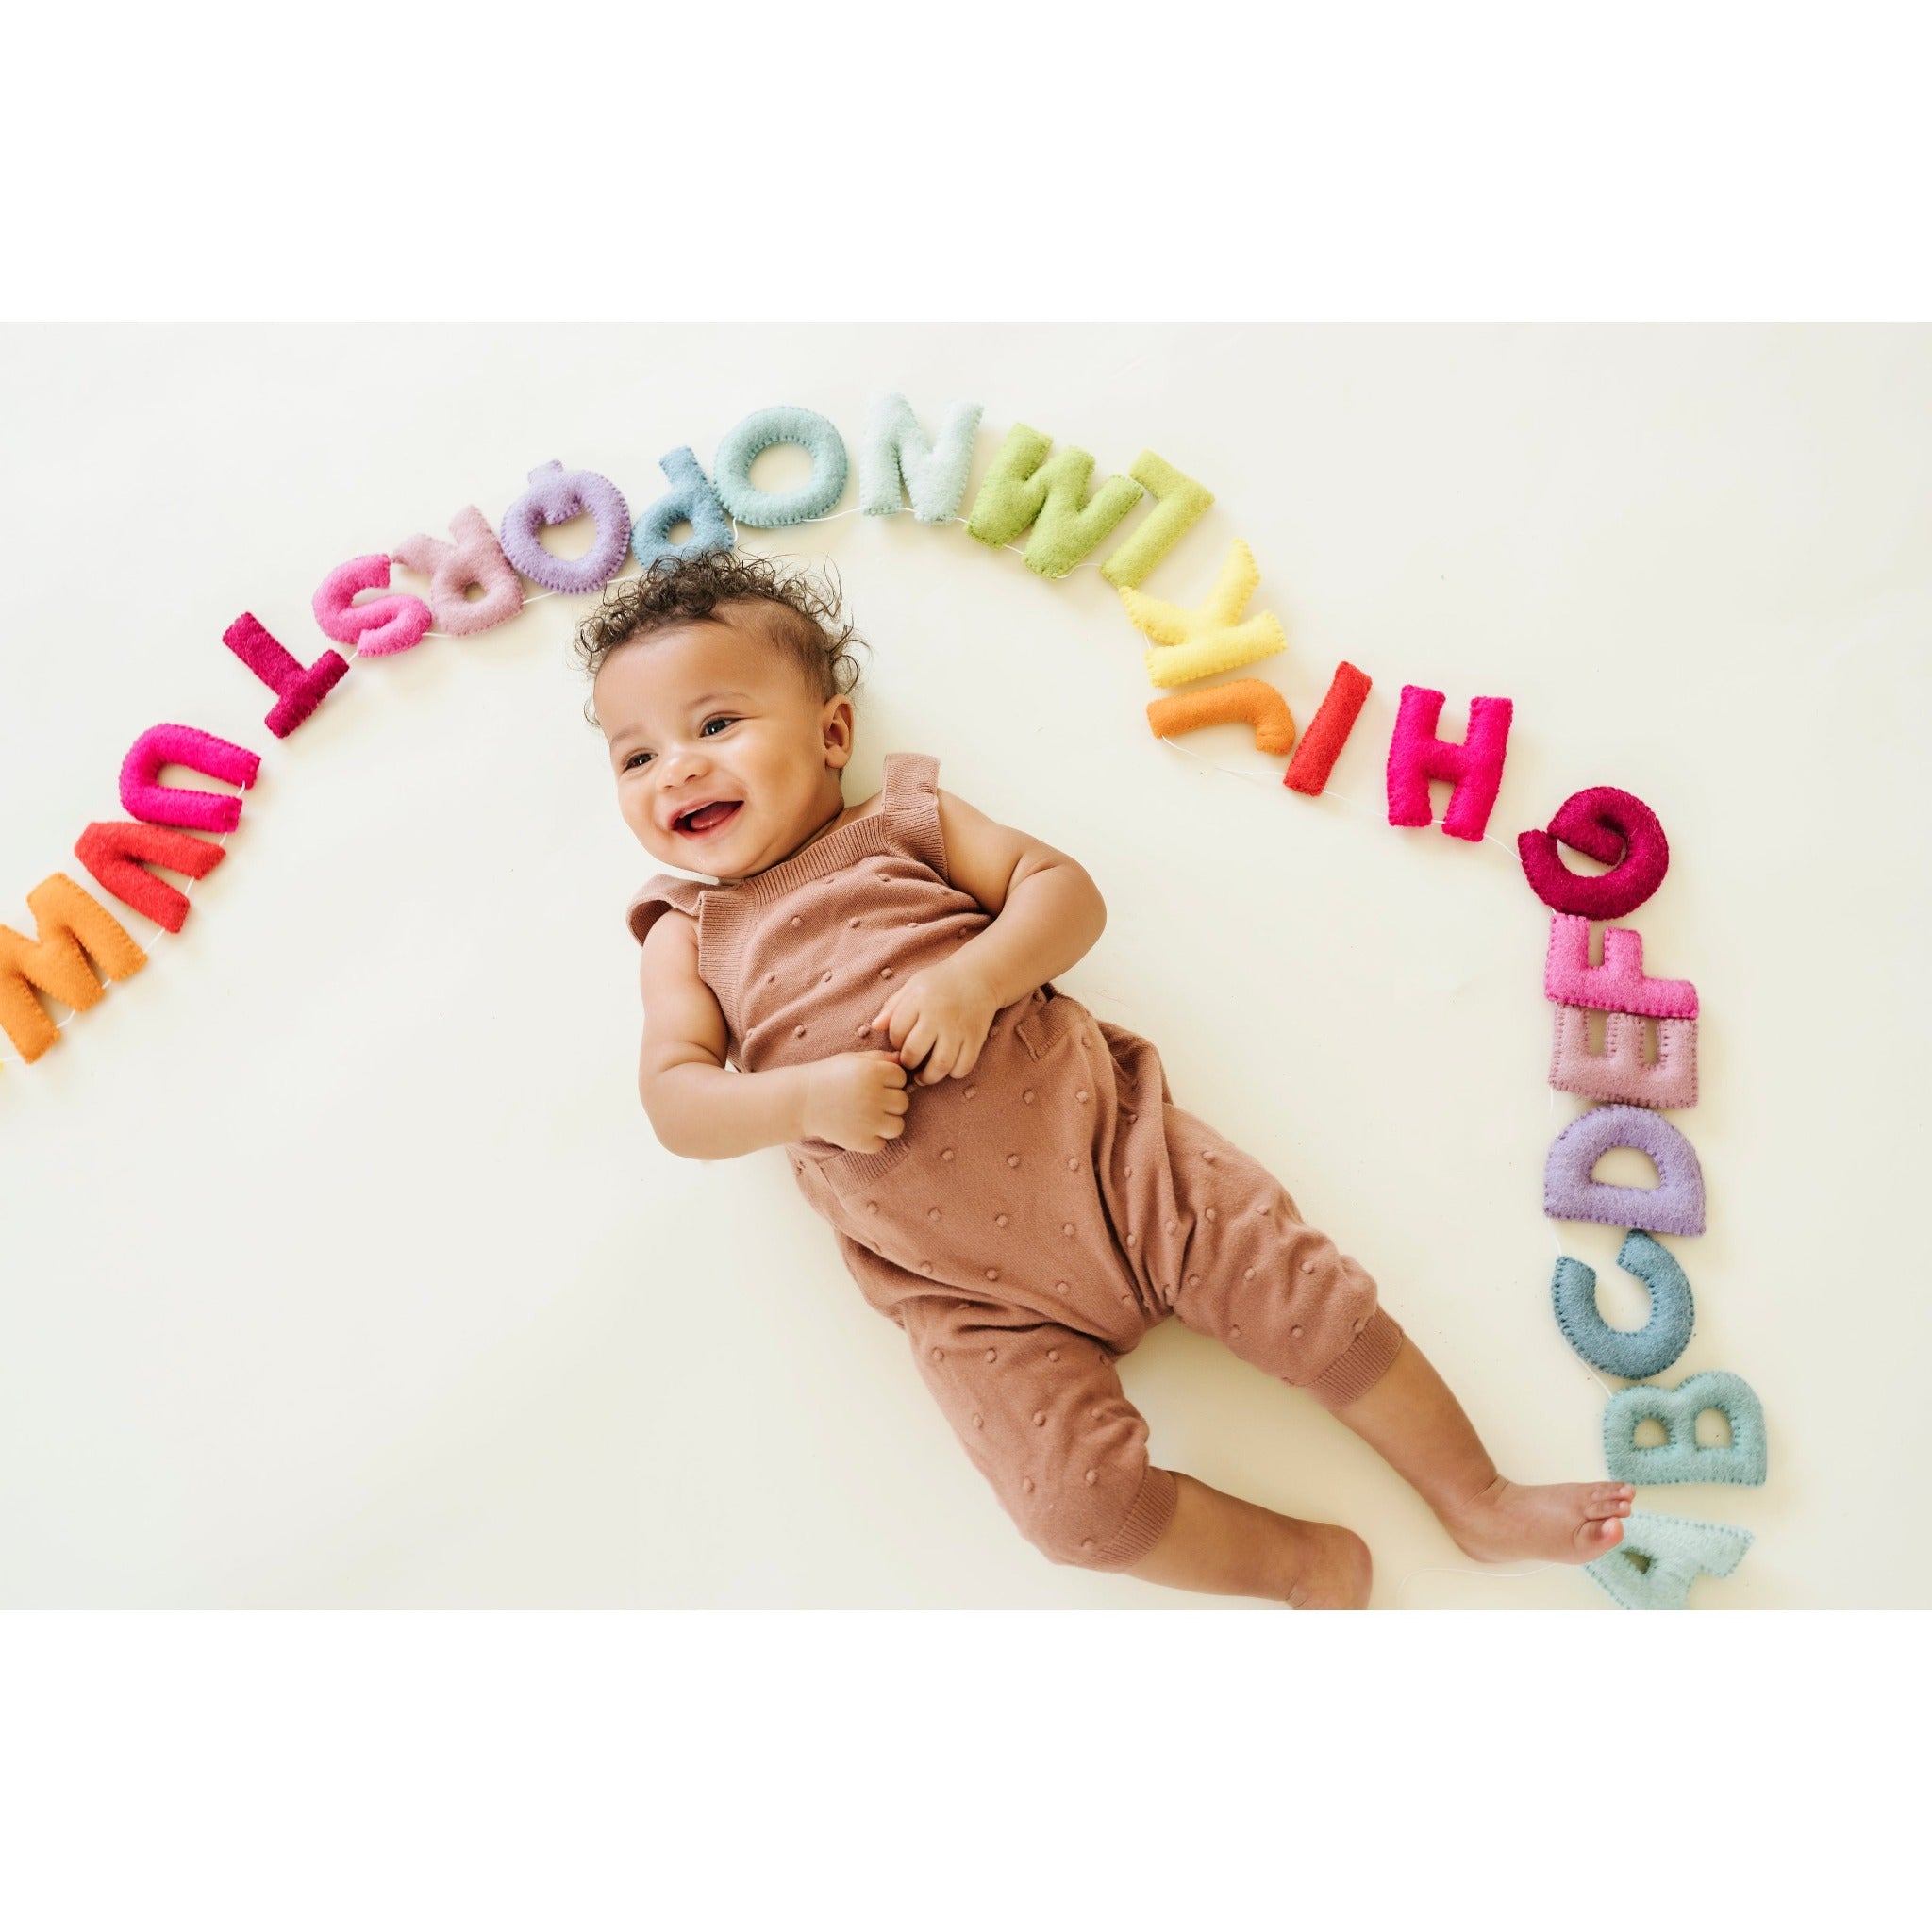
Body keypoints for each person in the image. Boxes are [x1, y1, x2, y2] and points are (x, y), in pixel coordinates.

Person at [584, 549, 1633, 1608]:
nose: (674, 767)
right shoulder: (688, 933)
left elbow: (1064, 894)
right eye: (635, 756)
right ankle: (1302, 1565)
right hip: (965, 1292)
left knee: (1317, 1304)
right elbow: (677, 1099)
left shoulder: (900, 826)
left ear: (833, 734)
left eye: (715, 725)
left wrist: (975, 978)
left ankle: (1477, 1497)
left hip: (1119, 1161)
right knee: (1074, 1513)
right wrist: (801, 1100)